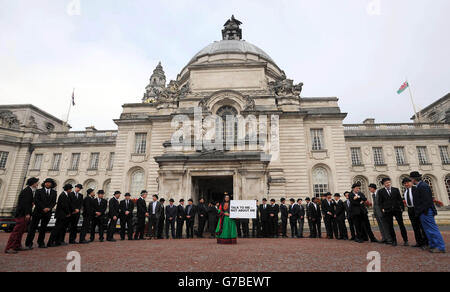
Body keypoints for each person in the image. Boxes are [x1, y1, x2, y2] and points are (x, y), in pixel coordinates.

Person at [410, 171, 446, 253]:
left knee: (432, 229)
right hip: (424, 211)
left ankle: (440, 247)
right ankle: (433, 245)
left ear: (413, 179)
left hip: (426, 211)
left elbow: (426, 201)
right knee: (428, 230)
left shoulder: (422, 186)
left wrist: (420, 211)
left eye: (411, 179)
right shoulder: (421, 185)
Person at [5, 177, 39, 254]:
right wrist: (27, 213)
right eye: (36, 182)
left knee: (21, 231)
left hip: (24, 214)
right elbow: (25, 204)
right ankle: (9, 247)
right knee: (16, 231)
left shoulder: (29, 191)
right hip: (22, 214)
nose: (37, 184)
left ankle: (17, 245)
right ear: (33, 183)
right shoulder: (27, 191)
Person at [25, 178, 57, 249]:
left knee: (43, 228)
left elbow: (54, 202)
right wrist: (43, 208)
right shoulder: (39, 191)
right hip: (38, 211)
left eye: (49, 182)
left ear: (52, 184)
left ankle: (41, 242)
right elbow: (36, 200)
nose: (47, 184)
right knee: (33, 228)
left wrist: (49, 208)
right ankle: (29, 243)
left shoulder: (54, 192)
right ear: (44, 183)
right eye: (46, 182)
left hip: (47, 213)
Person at [378, 177, 408, 246]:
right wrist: (382, 209)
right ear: (383, 184)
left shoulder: (395, 190)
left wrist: (402, 208)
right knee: (390, 226)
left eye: (389, 182)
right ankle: (394, 240)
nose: (388, 184)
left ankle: (405, 240)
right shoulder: (381, 191)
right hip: (387, 211)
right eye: (386, 183)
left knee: (401, 225)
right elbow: (380, 202)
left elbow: (400, 199)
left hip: (397, 210)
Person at [402, 177, 428, 248]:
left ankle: (425, 243)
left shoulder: (416, 189)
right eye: (405, 183)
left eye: (407, 182)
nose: (406, 184)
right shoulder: (405, 191)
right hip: (410, 210)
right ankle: (419, 242)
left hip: (417, 208)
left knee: (421, 226)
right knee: (415, 227)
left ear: (411, 182)